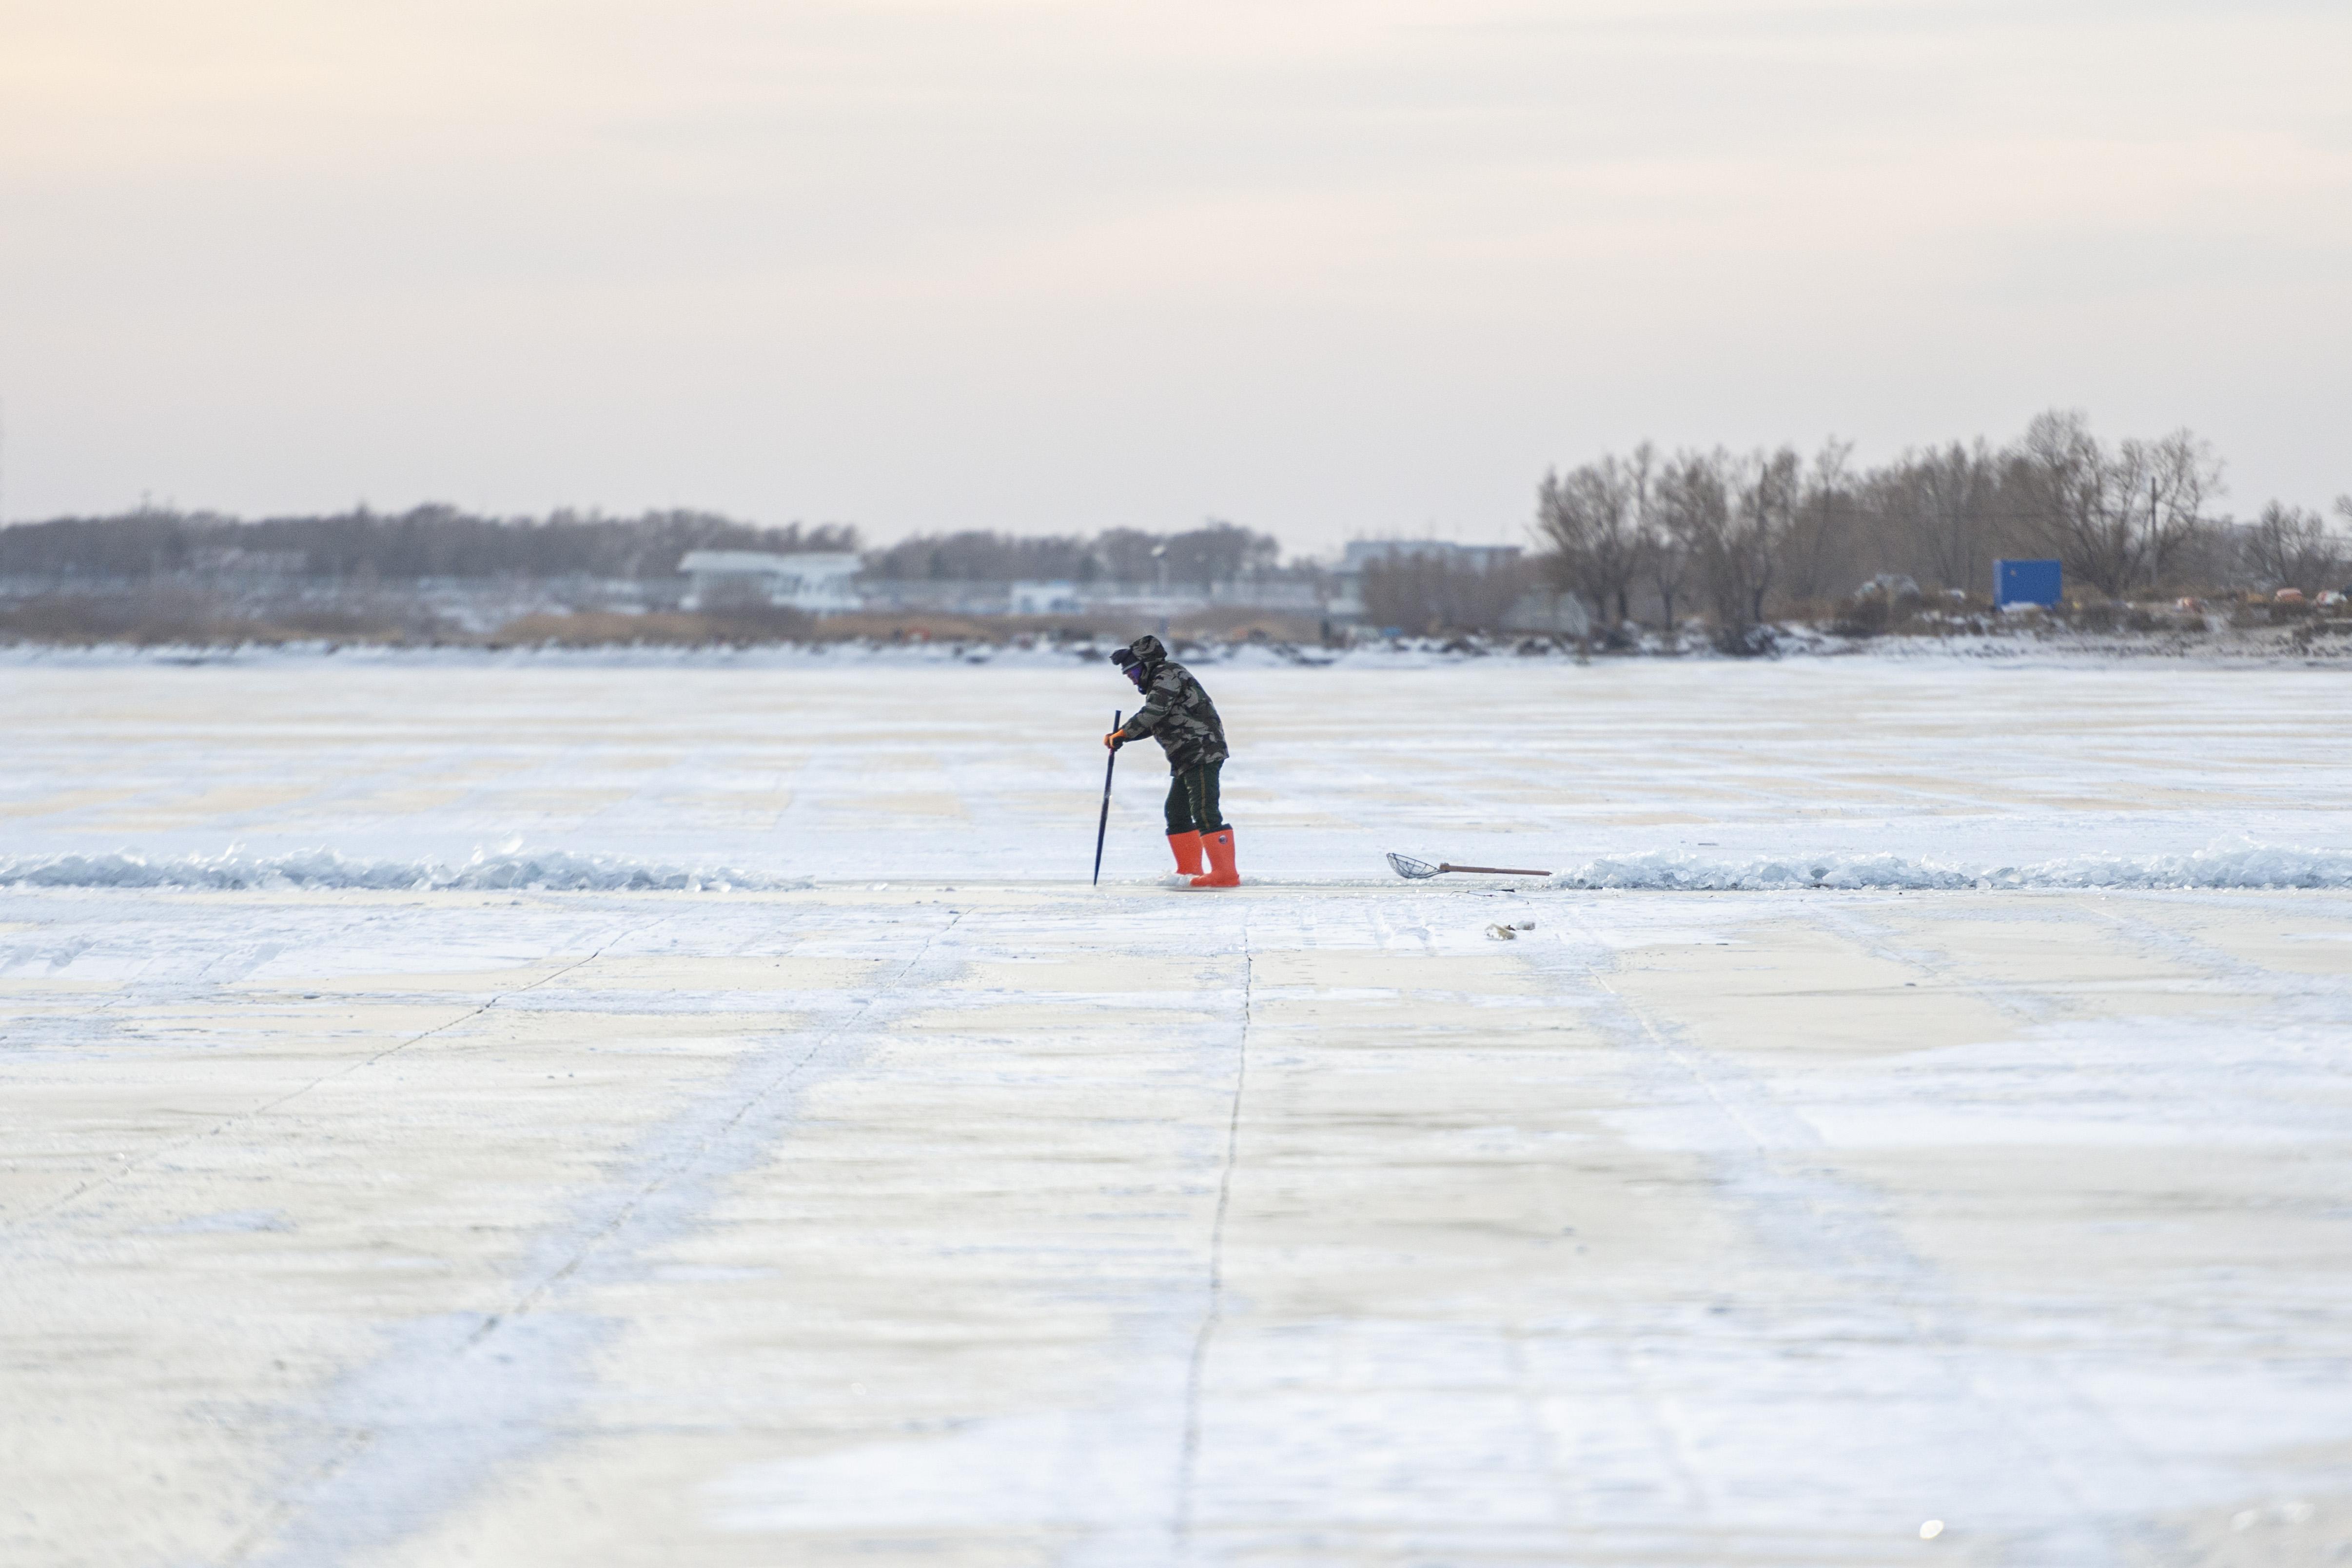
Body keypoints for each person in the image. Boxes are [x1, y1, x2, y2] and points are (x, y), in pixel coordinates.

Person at [1105, 634, 1238, 888]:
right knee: (1176, 812)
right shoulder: (1160, 680)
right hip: (1185, 755)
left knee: (1204, 810)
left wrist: (1124, 731)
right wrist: (1122, 737)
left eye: (1132, 671)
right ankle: (1189, 870)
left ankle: (1225, 874)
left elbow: (1155, 711)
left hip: (1201, 750)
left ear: (1145, 664)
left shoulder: (1168, 674)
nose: (1131, 678)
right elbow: (1156, 720)